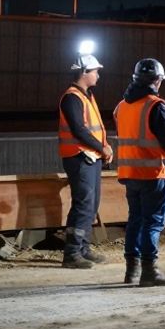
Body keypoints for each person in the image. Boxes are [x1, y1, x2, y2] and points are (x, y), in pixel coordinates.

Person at [113, 58, 165, 286]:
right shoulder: (155, 105)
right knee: (153, 223)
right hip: (153, 175)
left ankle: (132, 272)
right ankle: (149, 272)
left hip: (130, 174)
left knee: (135, 220)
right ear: (157, 80)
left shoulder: (122, 107)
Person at [58, 50, 114, 269]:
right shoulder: (72, 97)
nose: (98, 75)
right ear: (84, 72)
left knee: (91, 204)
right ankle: (72, 253)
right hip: (79, 157)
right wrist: (102, 148)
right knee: (83, 204)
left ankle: (82, 248)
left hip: (90, 157)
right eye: (96, 71)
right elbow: (79, 130)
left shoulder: (85, 96)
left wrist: (103, 149)